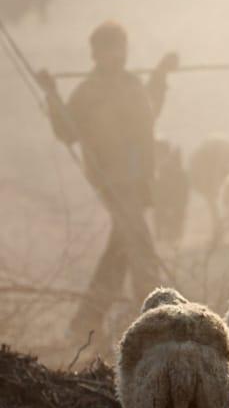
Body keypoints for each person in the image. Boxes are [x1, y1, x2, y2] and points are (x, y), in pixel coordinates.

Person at [36, 21, 178, 339]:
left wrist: (161, 75)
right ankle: (157, 318)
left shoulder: (132, 85)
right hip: (112, 180)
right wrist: (51, 93)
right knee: (140, 245)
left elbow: (150, 111)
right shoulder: (88, 93)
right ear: (96, 54)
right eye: (109, 49)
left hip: (139, 180)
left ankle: (85, 320)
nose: (117, 55)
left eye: (121, 48)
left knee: (122, 248)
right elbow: (66, 131)